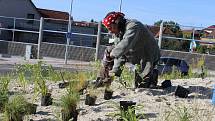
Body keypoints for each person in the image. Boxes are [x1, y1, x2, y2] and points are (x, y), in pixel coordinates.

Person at [97, 11, 160, 88]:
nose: (110, 31)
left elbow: (124, 46)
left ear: (117, 23)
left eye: (110, 28)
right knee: (110, 50)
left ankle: (153, 75)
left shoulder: (133, 26)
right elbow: (120, 55)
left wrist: (112, 55)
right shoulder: (118, 33)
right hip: (135, 53)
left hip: (148, 54)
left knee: (142, 85)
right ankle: (103, 78)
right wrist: (114, 72)